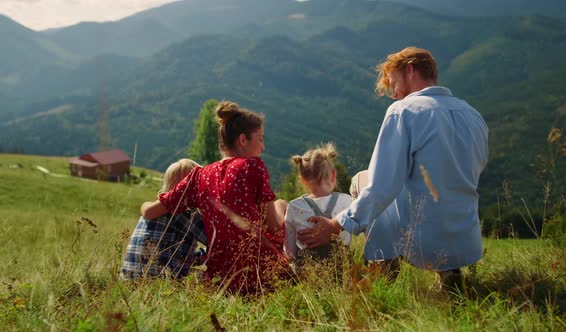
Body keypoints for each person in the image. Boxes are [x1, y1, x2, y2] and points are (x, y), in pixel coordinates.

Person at [299, 46, 489, 292]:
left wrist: (335, 225)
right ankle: (449, 271)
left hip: (422, 240)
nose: (393, 93)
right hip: (466, 241)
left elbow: (382, 186)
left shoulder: (404, 112)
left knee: (362, 179)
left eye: (394, 82)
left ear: (410, 70)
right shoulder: (472, 114)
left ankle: (384, 267)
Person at [141, 101, 289, 295]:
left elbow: (150, 212)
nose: (263, 147)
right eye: (260, 139)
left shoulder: (198, 176)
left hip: (221, 280)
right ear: (243, 140)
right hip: (261, 273)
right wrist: (282, 207)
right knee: (283, 205)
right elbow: (275, 225)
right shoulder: (253, 166)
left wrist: (144, 204)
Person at [121, 158, 207, 280]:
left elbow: (171, 252)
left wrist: (201, 256)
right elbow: (216, 241)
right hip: (161, 279)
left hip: (129, 277)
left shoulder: (154, 209)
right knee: (210, 277)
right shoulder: (186, 213)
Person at [283, 143, 352, 274]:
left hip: (309, 273)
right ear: (333, 175)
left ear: (303, 180)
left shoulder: (294, 206)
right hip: (343, 269)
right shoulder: (347, 200)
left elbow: (290, 250)